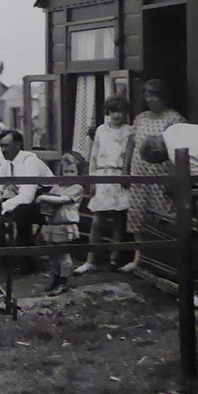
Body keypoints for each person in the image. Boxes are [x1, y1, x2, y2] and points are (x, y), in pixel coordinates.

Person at [122, 79, 185, 272]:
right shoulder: (141, 118)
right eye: (147, 95)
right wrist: (125, 170)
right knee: (138, 217)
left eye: (153, 94)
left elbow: (178, 149)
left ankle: (164, 261)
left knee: (163, 217)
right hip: (139, 175)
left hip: (161, 176)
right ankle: (139, 259)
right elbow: (131, 144)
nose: (149, 99)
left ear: (163, 96)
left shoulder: (174, 119)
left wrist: (173, 177)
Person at [74, 95, 134, 274]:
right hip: (102, 174)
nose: (117, 115)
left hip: (119, 175)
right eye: (113, 111)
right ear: (108, 112)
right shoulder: (101, 130)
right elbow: (93, 155)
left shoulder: (129, 131)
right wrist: (93, 179)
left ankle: (114, 259)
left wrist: (124, 176)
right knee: (97, 220)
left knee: (118, 220)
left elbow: (128, 157)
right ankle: (91, 259)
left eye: (120, 111)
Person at [0, 129, 53, 274]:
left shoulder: (29, 161)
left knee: (20, 212)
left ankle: (26, 263)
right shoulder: (7, 164)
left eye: (6, 146)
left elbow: (27, 196)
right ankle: (1, 256)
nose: (3, 150)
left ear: (17, 144)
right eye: (1, 146)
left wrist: (1, 206)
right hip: (30, 202)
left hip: (49, 204)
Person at [37, 152, 87, 294]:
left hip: (65, 224)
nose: (68, 174)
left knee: (63, 254)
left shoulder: (77, 188)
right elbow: (52, 195)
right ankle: (56, 277)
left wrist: (42, 198)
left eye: (72, 171)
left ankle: (64, 281)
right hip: (53, 223)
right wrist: (45, 197)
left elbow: (61, 200)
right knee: (52, 254)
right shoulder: (58, 186)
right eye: (66, 171)